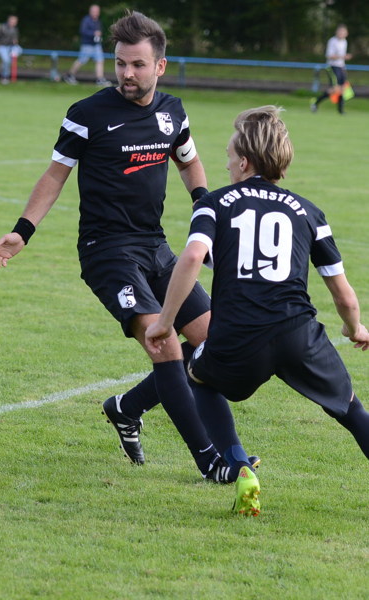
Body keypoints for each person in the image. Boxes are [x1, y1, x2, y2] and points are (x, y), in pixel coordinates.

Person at [0, 10, 253, 483]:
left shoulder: (172, 112)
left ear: (160, 66)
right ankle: (213, 462)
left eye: (137, 65)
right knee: (163, 343)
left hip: (155, 247)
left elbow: (189, 161)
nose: (126, 74)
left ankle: (130, 408)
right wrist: (22, 231)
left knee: (212, 342)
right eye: (120, 63)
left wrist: (203, 209)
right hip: (106, 251)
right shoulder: (87, 114)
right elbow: (55, 175)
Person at [145, 106, 369, 515]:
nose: (227, 162)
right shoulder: (308, 211)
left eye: (229, 154)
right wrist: (355, 328)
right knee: (352, 408)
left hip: (239, 335)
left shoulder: (214, 203)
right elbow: (344, 295)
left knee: (198, 375)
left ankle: (239, 465)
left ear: (244, 162)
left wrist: (164, 321)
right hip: (298, 332)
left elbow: (192, 257)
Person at [311, 24, 352, 115]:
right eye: (340, 31)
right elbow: (329, 56)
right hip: (332, 67)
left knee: (343, 88)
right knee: (334, 89)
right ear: (336, 32)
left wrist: (343, 67)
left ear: (346, 33)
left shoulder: (344, 42)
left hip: (341, 67)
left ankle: (340, 110)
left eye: (343, 32)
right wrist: (343, 57)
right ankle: (315, 102)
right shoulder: (332, 41)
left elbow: (342, 59)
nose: (341, 33)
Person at [64, 4, 109, 86]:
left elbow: (99, 31)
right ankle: (69, 75)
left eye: (97, 11)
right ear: (90, 11)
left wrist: (99, 35)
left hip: (96, 45)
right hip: (87, 45)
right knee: (81, 60)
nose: (96, 13)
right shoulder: (86, 20)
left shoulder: (98, 21)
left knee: (100, 60)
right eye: (94, 11)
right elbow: (83, 31)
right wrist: (93, 33)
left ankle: (100, 79)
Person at [0, 15, 20, 84]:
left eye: (15, 22)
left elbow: (15, 39)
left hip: (11, 47)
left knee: (19, 49)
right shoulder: (1, 27)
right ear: (8, 21)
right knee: (7, 61)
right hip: (2, 46)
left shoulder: (15, 29)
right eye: (12, 21)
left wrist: (15, 42)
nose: (14, 23)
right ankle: (5, 77)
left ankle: (3, 64)